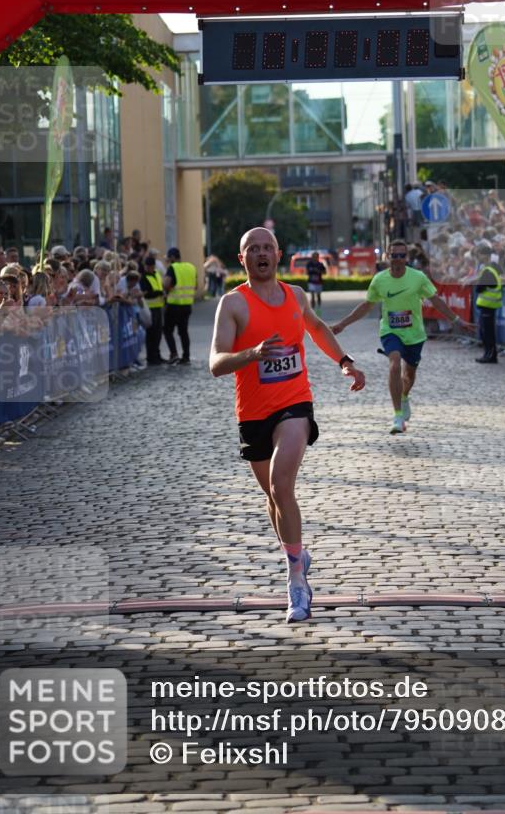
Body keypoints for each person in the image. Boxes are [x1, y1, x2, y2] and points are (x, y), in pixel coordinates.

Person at [209, 226, 365, 623]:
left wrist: (344, 362)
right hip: (252, 413)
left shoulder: (294, 296)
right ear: (241, 259)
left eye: (267, 247)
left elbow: (315, 328)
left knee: (282, 485)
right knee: (273, 497)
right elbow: (215, 363)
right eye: (252, 249)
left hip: (295, 404)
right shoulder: (232, 304)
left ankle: (296, 578)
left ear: (278, 254)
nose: (261, 253)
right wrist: (253, 354)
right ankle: (297, 553)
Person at [331, 239, 470, 435]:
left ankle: (404, 396)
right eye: (393, 255)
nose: (397, 259)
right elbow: (366, 306)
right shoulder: (380, 280)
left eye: (401, 256)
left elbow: (436, 300)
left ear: (407, 258)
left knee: (409, 376)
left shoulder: (418, 278)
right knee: (394, 363)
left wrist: (457, 320)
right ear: (388, 257)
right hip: (390, 331)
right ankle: (397, 416)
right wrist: (342, 324)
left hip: (414, 334)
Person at [467, 243, 502, 364]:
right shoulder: (489, 268)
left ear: (485, 255)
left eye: (480, 254)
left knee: (488, 333)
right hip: (487, 306)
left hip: (488, 306)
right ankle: (487, 354)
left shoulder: (488, 270)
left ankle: (491, 355)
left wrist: (477, 284)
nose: (478, 257)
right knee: (484, 332)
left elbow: (479, 288)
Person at [164, 246, 197, 364]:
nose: (167, 260)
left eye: (168, 258)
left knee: (167, 330)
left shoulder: (172, 268)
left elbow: (166, 284)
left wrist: (167, 288)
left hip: (173, 305)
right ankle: (186, 356)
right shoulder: (191, 267)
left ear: (172, 257)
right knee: (183, 332)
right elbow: (196, 286)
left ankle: (173, 354)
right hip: (187, 306)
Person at [141, 253, 166, 364]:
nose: (150, 268)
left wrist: (161, 293)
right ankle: (150, 357)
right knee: (151, 334)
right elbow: (146, 293)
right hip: (149, 308)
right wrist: (158, 293)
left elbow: (159, 287)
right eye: (148, 266)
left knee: (158, 333)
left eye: (151, 266)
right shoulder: (143, 277)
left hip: (159, 306)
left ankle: (157, 355)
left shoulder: (156, 274)